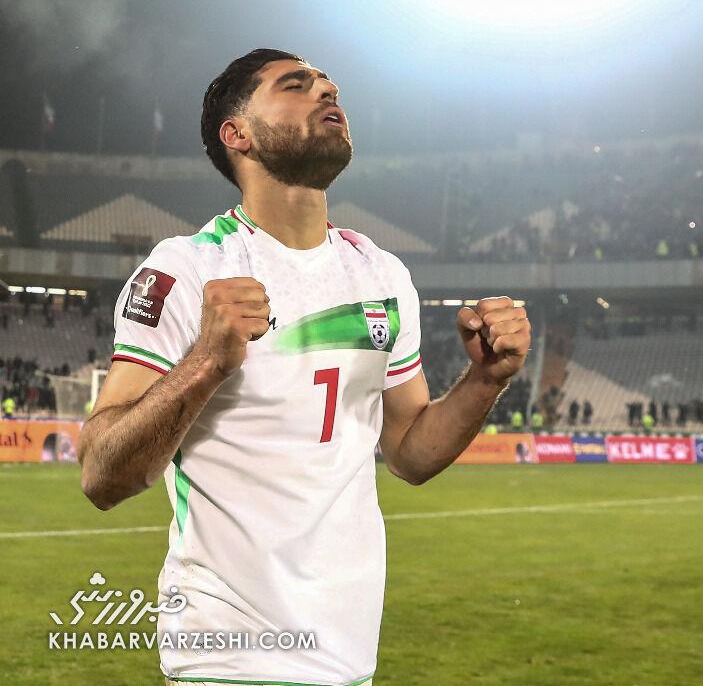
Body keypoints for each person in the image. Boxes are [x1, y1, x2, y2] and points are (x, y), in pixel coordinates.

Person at [76, 49, 531, 686]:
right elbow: (102, 475)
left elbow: (410, 454)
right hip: (228, 654)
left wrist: (486, 379)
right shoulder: (185, 268)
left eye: (328, 86)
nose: (326, 92)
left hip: (348, 653)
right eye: (295, 85)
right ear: (237, 134)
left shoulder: (381, 273)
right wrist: (206, 362)